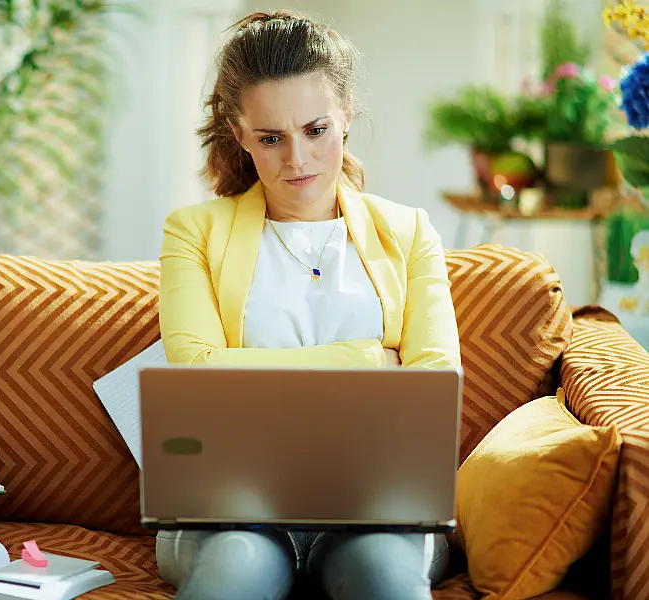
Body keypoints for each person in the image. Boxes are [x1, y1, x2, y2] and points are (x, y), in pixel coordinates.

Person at [155, 9, 461, 600]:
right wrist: (370, 362)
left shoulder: (411, 231)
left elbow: (434, 385)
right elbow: (194, 371)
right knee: (237, 566)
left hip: (378, 507)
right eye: (270, 138)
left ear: (346, 116)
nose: (296, 159)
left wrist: (243, 367)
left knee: (383, 573)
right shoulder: (192, 231)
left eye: (315, 129)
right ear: (239, 134)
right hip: (231, 508)